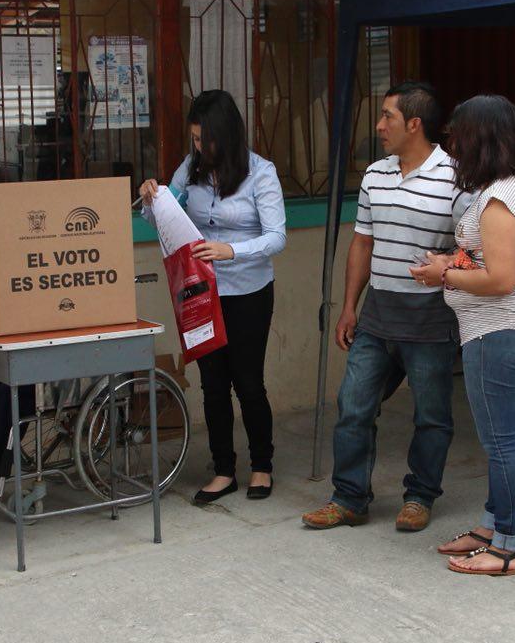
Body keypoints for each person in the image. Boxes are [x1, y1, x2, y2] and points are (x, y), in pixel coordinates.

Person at [302, 81, 473, 533]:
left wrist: (448, 263)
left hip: (431, 315)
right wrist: (348, 307)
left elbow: (474, 250)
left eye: (387, 117)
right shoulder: (375, 175)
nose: (379, 126)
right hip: (378, 313)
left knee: (431, 414)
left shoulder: (456, 178)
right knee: (353, 405)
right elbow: (362, 243)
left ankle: (420, 496)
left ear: (414, 124)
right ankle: (349, 497)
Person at [409, 95, 515, 576]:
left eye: (458, 136)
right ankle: (492, 525)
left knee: (501, 443)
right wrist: (452, 262)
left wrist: (443, 277)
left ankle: (508, 546)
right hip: (500, 329)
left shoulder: (499, 201)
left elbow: (501, 279)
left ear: (479, 139)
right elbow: (484, 261)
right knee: (498, 441)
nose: (452, 146)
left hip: (497, 332)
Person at [139, 90, 286, 503]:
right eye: (195, 140)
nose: (200, 147)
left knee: (249, 383)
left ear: (228, 134)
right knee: (212, 384)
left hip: (248, 291)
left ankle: (262, 466)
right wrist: (152, 198)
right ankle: (224, 469)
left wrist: (230, 250)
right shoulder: (192, 168)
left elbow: (277, 237)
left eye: (206, 140)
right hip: (201, 291)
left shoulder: (261, 172)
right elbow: (166, 216)